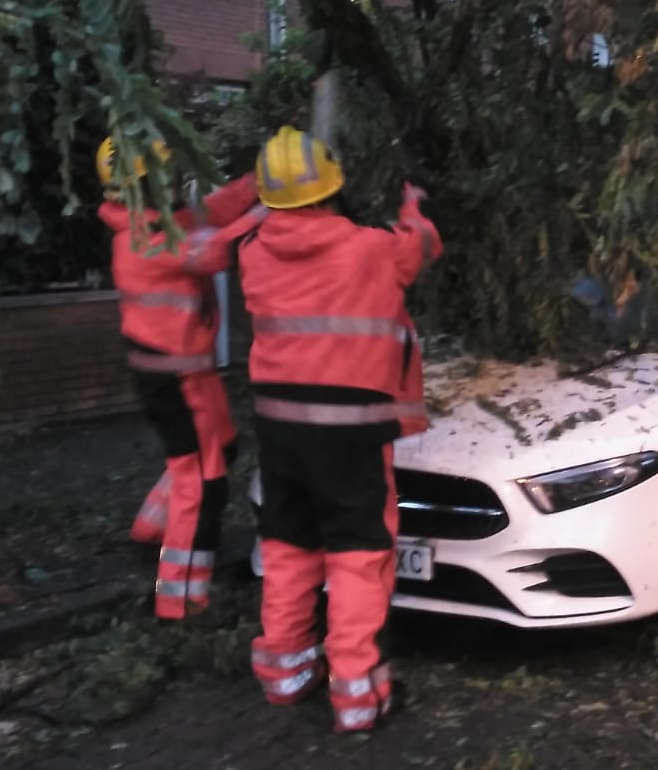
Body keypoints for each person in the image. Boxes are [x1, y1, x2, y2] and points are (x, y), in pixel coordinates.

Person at [239, 126, 441, 732]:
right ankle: (357, 696)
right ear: (331, 189)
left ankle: (284, 674)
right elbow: (422, 245)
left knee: (288, 546)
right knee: (357, 555)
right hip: (349, 432)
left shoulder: (251, 251)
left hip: (278, 427)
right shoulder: (372, 249)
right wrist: (414, 201)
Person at [97, 136, 262, 619]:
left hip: (187, 374)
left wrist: (257, 184)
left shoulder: (159, 224)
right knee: (203, 484)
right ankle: (181, 600)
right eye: (164, 178)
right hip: (175, 380)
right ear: (139, 189)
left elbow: (214, 211)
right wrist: (269, 211)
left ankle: (150, 527)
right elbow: (213, 251)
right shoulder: (143, 242)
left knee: (218, 450)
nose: (174, 185)